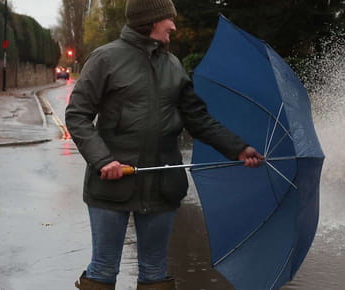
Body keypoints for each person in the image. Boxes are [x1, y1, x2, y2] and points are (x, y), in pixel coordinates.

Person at [64, 0, 264, 289]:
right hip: (111, 185)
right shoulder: (105, 58)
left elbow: (198, 120)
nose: (173, 26)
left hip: (162, 186)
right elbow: (77, 115)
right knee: (104, 269)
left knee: (155, 272)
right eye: (168, 19)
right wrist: (102, 160)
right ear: (151, 20)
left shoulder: (173, 65)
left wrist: (238, 148)